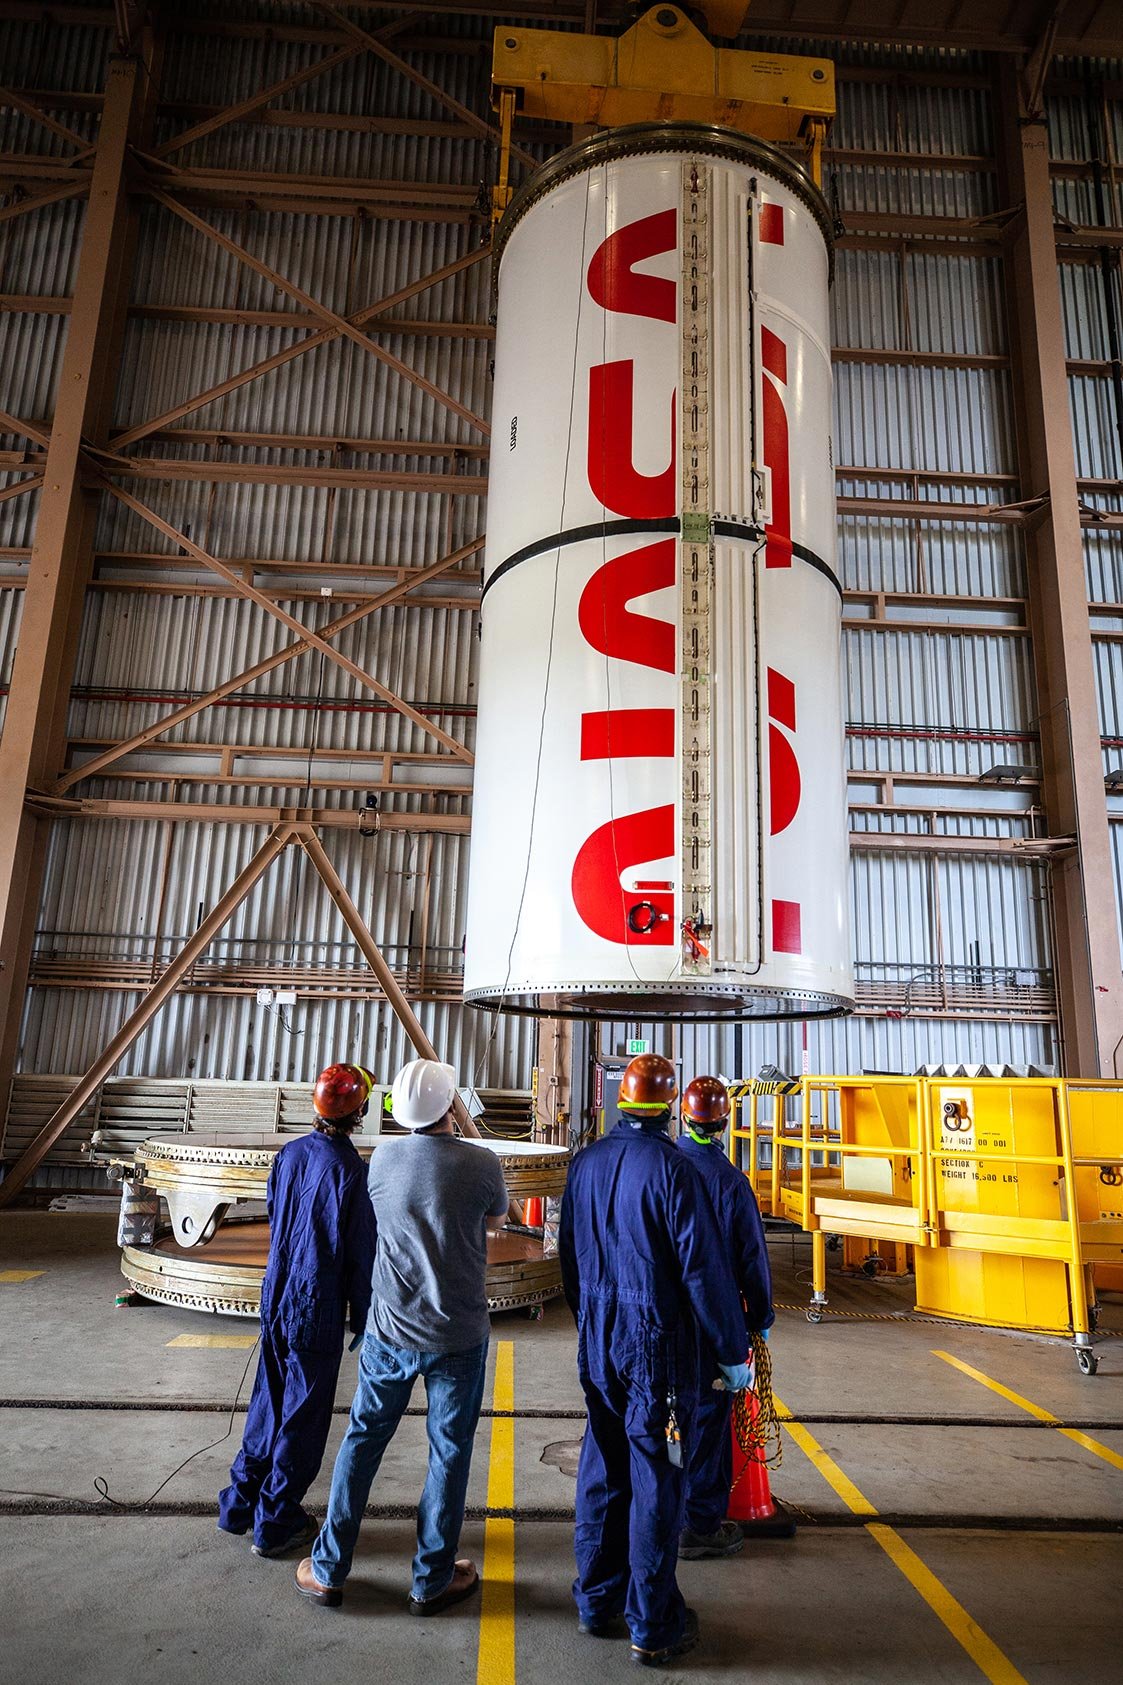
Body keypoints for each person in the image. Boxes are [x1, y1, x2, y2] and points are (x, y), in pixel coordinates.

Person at [295, 1057, 509, 1613]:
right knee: (449, 1452)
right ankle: (432, 1579)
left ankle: (328, 1569)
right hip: (458, 1334)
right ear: (449, 1104)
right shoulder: (482, 1164)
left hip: (389, 1329)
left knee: (362, 1440)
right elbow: (494, 1222)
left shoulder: (382, 1158)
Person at [559, 1053, 751, 1669]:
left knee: (603, 1467)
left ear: (621, 1102)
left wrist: (591, 1322)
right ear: (667, 1109)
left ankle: (595, 1601)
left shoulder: (584, 1165)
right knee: (655, 1481)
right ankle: (654, 1623)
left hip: (598, 1343)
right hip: (657, 1354)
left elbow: (569, 1261)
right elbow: (704, 1274)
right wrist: (731, 1351)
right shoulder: (676, 1173)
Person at [217, 1062, 377, 1557]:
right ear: (360, 1112)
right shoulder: (352, 1172)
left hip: (278, 1296)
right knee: (303, 1420)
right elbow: (359, 1254)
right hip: (316, 1306)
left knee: (268, 1402)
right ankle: (277, 1521)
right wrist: (365, 1318)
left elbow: (275, 1212)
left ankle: (239, 1505)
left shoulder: (289, 1155)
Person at [676, 1075, 774, 1560]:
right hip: (709, 1326)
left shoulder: (658, 1168)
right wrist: (760, 1318)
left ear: (683, 1116)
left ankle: (657, 1512)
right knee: (708, 1423)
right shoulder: (731, 1184)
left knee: (655, 1421)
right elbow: (751, 1257)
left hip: (652, 1322)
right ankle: (700, 1523)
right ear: (723, 1123)